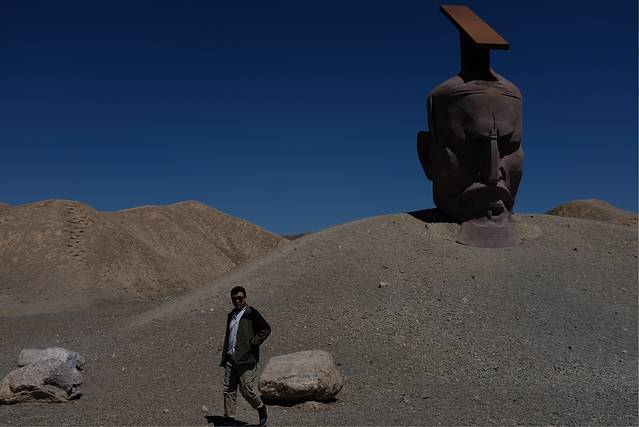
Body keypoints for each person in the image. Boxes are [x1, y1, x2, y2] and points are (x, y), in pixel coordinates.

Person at [220, 286, 271, 426]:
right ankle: (229, 418)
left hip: (246, 359)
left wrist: (252, 343)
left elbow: (265, 329)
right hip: (231, 359)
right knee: (228, 390)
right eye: (234, 299)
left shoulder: (251, 313)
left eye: (240, 298)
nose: (237, 301)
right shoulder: (231, 314)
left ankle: (261, 407)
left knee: (247, 390)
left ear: (245, 298)